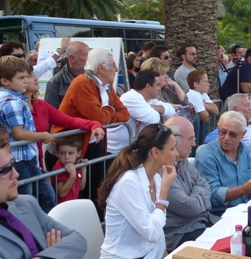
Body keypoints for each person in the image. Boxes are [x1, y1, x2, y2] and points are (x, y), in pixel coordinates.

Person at [99, 124, 178, 259]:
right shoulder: (129, 182)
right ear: (155, 152)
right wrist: (164, 194)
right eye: (172, 149)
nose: (176, 154)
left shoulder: (156, 179)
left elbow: (158, 234)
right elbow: (151, 233)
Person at [50, 48, 130, 213]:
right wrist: (109, 111)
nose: (116, 69)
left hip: (92, 145)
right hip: (70, 149)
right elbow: (100, 118)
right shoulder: (82, 83)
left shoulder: (106, 86)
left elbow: (125, 114)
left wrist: (105, 114)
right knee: (79, 196)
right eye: (113, 65)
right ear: (101, 68)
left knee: (96, 191)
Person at [0, 56, 56, 212]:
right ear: (5, 81)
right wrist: (43, 135)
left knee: (45, 196)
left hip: (25, 157)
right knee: (26, 203)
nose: (26, 81)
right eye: (21, 78)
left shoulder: (15, 98)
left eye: (27, 76)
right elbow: (19, 133)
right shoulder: (12, 102)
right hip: (19, 160)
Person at [194, 111, 251, 216]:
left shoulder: (243, 149)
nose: (226, 138)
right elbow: (211, 195)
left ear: (243, 134)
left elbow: (244, 178)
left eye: (232, 134)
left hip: (245, 206)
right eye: (223, 132)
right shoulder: (206, 156)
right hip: (220, 213)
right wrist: (244, 190)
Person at [163, 116, 219, 251]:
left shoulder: (183, 161)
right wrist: (199, 191)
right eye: (191, 139)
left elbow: (205, 184)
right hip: (179, 234)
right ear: (175, 140)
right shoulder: (163, 169)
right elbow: (190, 208)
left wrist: (196, 192)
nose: (194, 144)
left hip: (202, 221)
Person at [107, 70, 173, 154]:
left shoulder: (149, 100)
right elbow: (153, 119)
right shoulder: (131, 97)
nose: (160, 88)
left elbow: (171, 110)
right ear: (148, 86)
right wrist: (156, 109)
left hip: (127, 151)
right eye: (158, 85)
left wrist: (151, 107)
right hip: (113, 151)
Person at [44, 41, 90, 109]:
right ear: (72, 58)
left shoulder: (95, 77)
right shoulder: (55, 83)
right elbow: (52, 114)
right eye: (85, 55)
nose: (90, 58)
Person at [51, 135, 88, 204]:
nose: (66, 157)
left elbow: (81, 187)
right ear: (57, 153)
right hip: (62, 207)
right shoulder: (59, 169)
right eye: (62, 153)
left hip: (72, 204)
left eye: (71, 153)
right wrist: (72, 175)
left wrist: (83, 169)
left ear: (78, 153)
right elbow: (61, 194)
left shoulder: (76, 165)